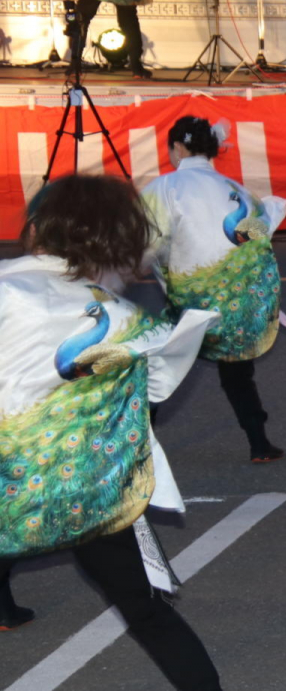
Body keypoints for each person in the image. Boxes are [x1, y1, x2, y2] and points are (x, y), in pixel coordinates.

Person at [0, 175, 223, 690]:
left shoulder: (8, 287)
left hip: (11, 488)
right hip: (90, 495)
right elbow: (158, 389)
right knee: (149, 614)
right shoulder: (125, 317)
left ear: (35, 231)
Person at [141, 116, 286, 463]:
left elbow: (150, 245)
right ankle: (259, 442)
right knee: (237, 372)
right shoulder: (237, 189)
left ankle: (137, 448)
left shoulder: (163, 188)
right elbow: (257, 238)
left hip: (188, 302)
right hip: (236, 302)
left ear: (178, 147)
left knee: (162, 369)